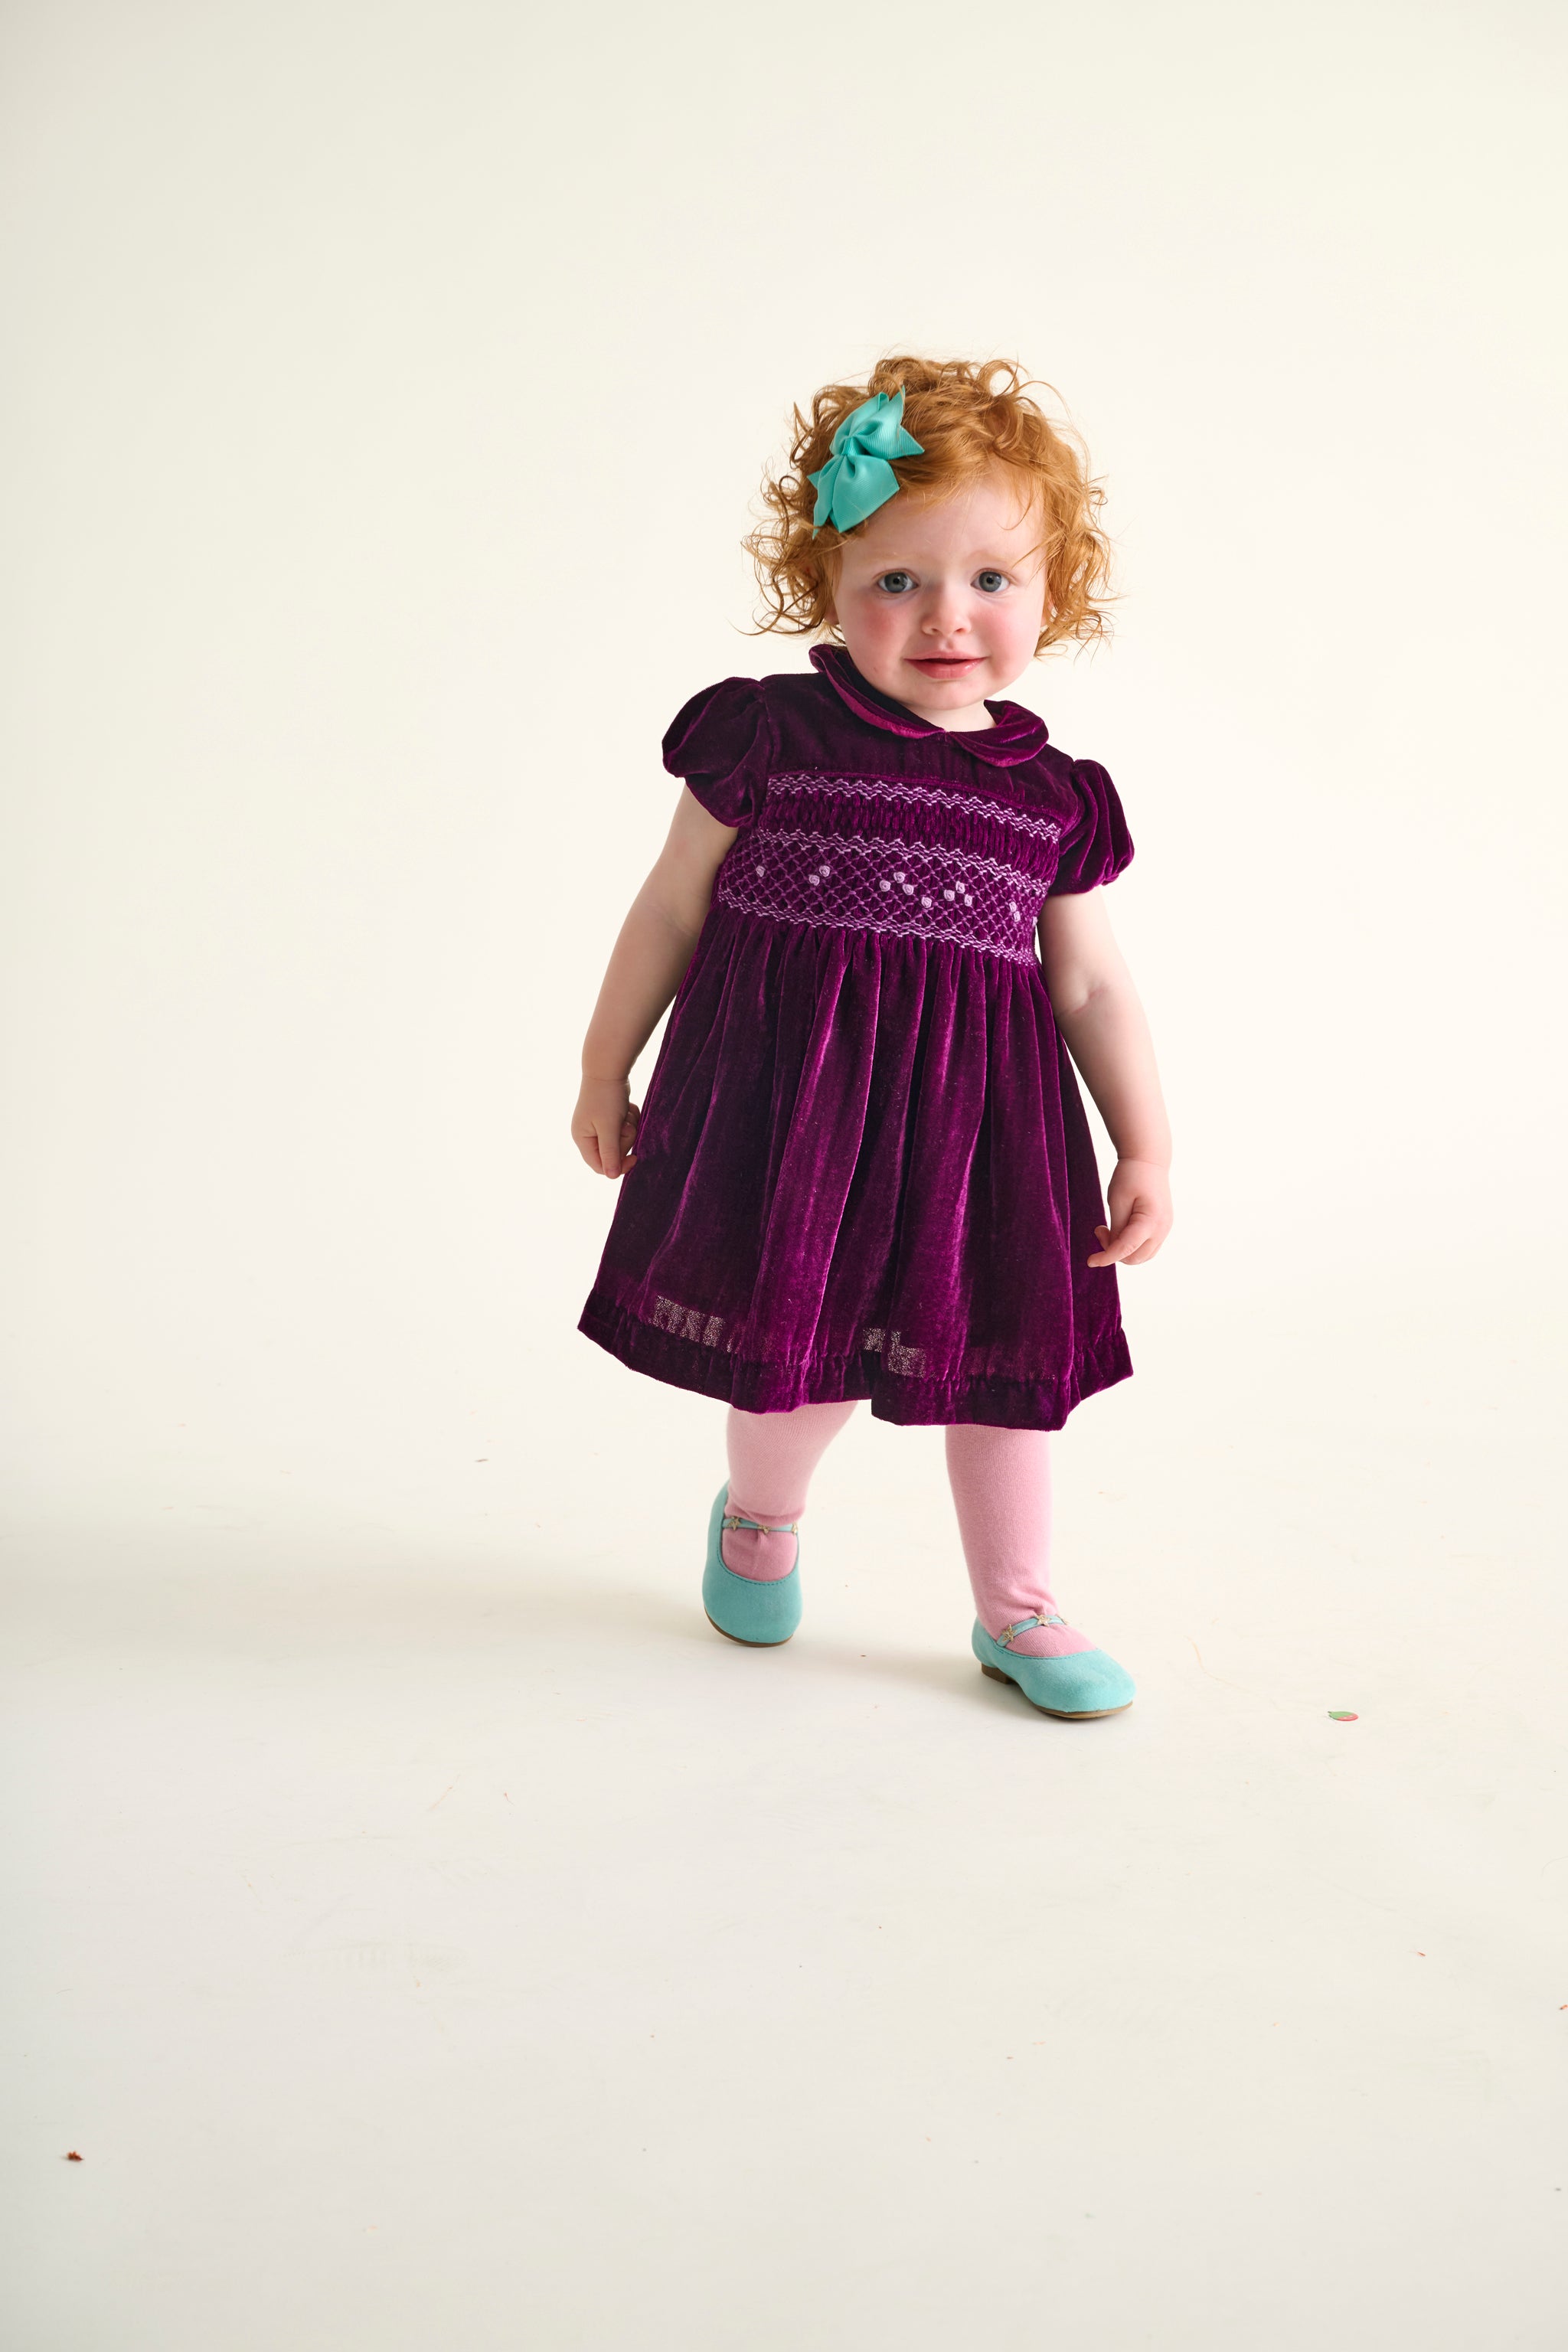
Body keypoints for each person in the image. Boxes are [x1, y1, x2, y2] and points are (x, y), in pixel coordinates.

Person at [572, 357, 1172, 1720]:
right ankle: (762, 1517)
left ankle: (1018, 1607)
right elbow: (672, 906)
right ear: (828, 583)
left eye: (988, 581)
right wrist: (606, 1066)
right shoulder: (770, 735)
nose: (943, 616)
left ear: (1053, 596)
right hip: (802, 1109)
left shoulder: (1055, 798)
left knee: (1003, 1371)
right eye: (895, 579)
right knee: (799, 1349)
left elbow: (1087, 987)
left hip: (985, 1132)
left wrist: (1146, 1142)